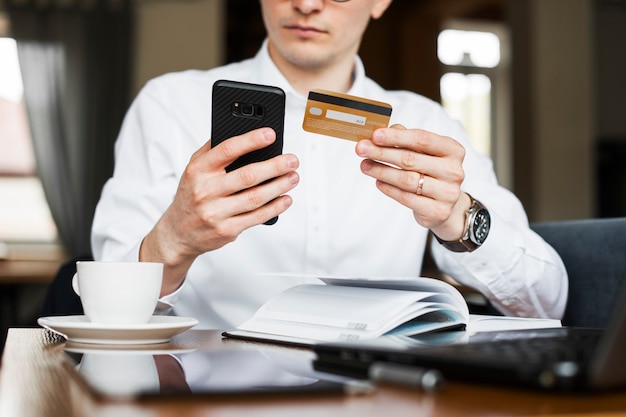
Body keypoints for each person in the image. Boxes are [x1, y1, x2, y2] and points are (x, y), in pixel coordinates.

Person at [91, 0, 567, 329]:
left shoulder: (427, 125)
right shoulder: (169, 105)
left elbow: (548, 301)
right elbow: (102, 311)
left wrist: (459, 217)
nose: (307, 3)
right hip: (209, 396)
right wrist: (172, 239)